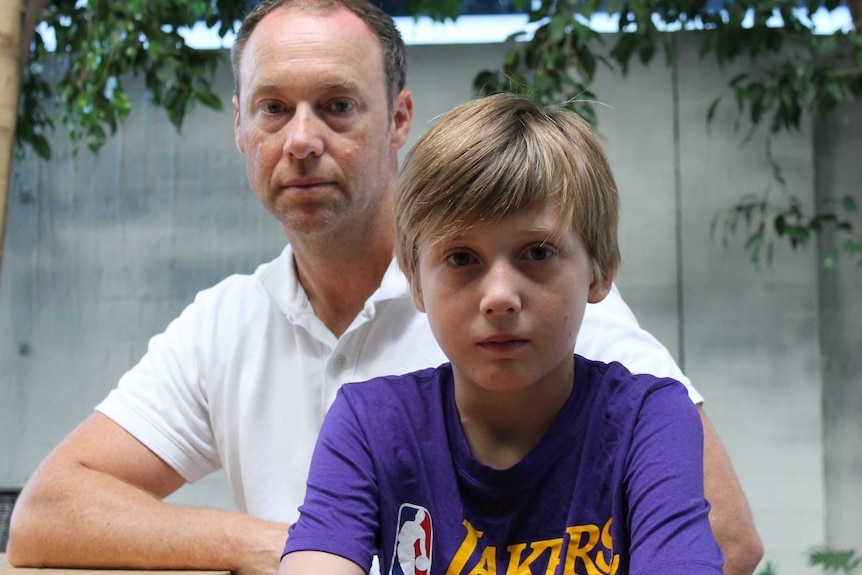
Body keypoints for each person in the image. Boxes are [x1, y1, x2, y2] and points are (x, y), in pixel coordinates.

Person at [6, 1, 763, 575]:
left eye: (336, 105)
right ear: (240, 127)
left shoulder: (545, 313)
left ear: (399, 117)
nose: (301, 141)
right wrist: (295, 541)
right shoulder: (227, 324)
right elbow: (46, 511)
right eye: (274, 108)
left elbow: (727, 535)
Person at [278, 92, 725, 575]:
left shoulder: (649, 420)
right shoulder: (369, 424)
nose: (499, 296)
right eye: (461, 258)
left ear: (599, 271)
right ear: (416, 282)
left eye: (537, 253)